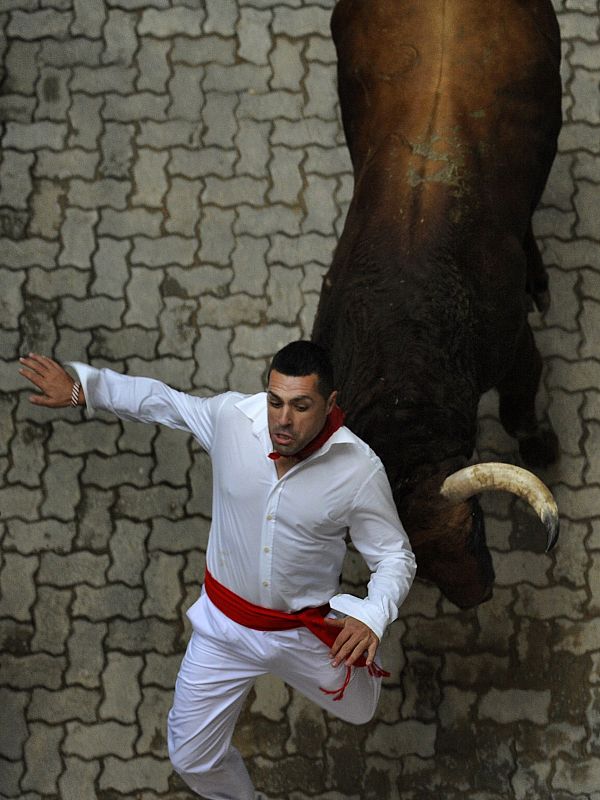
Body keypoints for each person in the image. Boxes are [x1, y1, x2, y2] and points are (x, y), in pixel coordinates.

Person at [18, 341, 416, 800]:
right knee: (190, 757)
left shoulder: (359, 470)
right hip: (223, 630)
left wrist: (372, 614)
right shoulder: (232, 419)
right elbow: (165, 403)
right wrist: (83, 389)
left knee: (361, 709)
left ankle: (357, 656)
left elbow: (394, 556)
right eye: (275, 401)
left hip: (301, 630)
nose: (282, 420)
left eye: (301, 406)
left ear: (330, 404)